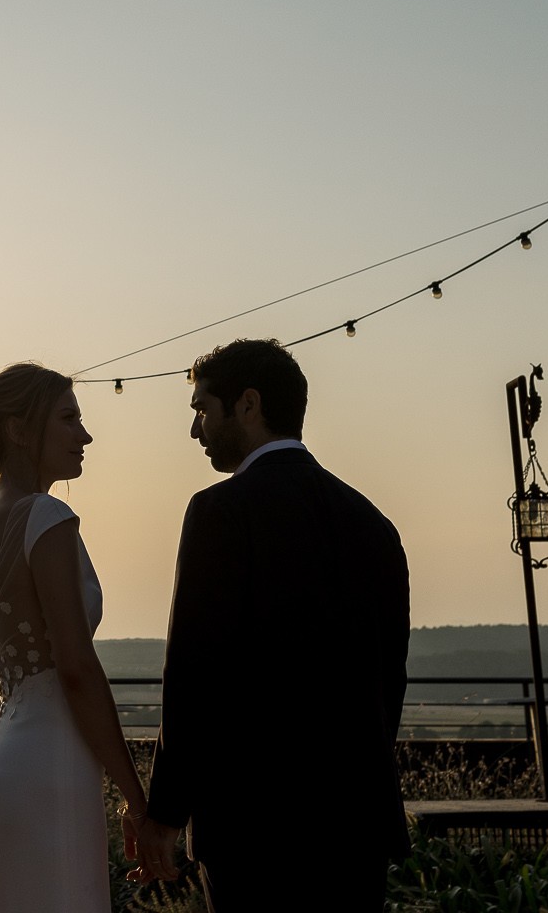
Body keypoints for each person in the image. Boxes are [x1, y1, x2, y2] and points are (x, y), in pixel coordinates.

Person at [130, 338, 410, 912]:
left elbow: (193, 674)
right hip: (357, 823)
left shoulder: (220, 512)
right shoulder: (373, 523)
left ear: (248, 404)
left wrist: (165, 812)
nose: (195, 431)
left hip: (254, 828)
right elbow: (390, 681)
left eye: (202, 410)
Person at [0, 363, 147, 913]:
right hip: (51, 761)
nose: (83, 436)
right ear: (18, 429)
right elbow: (77, 669)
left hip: (0, 761)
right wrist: (136, 798)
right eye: (68, 418)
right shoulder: (46, 515)